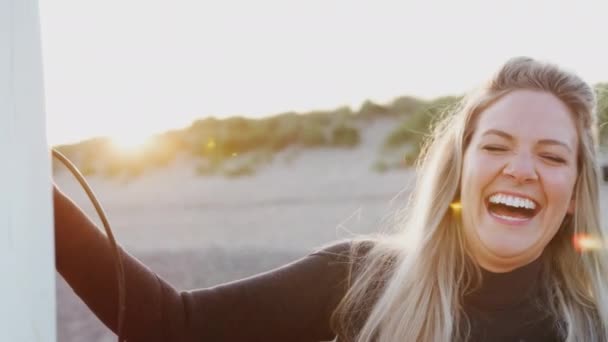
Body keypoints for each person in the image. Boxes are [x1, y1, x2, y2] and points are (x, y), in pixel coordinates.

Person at [53, 57, 608, 342]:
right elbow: (169, 328)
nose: (522, 169)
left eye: (553, 157)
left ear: (571, 197)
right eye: (497, 145)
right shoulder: (365, 280)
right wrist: (32, 195)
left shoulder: (593, 324)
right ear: (458, 172)